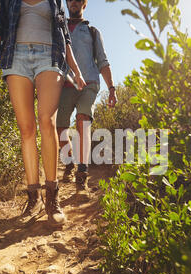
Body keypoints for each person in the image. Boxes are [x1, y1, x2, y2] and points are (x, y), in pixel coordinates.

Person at [0, 0, 86, 226]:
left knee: (47, 121)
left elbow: (65, 38)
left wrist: (76, 70)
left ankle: (52, 198)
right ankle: (33, 197)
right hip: (15, 58)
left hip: (50, 57)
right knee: (26, 129)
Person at [57, 0, 117, 193]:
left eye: (78, 0)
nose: (73, 2)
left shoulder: (92, 31)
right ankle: (68, 161)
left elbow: (102, 60)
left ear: (84, 4)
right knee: (59, 128)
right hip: (64, 84)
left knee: (83, 121)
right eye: (70, 0)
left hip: (89, 83)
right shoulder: (59, 28)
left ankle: (82, 173)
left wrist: (112, 88)